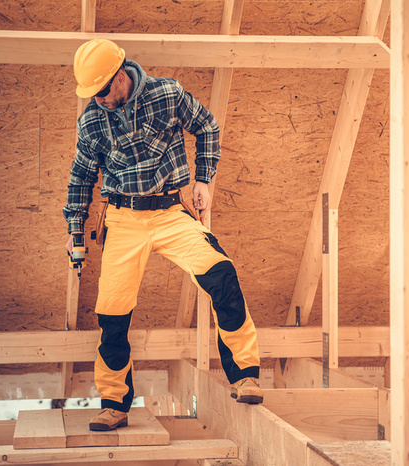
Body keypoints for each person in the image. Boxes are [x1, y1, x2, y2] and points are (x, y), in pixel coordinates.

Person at [63, 38, 263, 432]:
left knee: (221, 274)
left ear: (121, 76)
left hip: (171, 211)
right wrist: (74, 230)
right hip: (122, 219)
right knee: (112, 315)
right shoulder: (90, 121)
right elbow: (81, 177)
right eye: (92, 94)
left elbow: (206, 126)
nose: (99, 100)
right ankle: (114, 403)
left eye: (103, 91)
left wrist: (203, 179)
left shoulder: (167, 94)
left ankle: (245, 375)